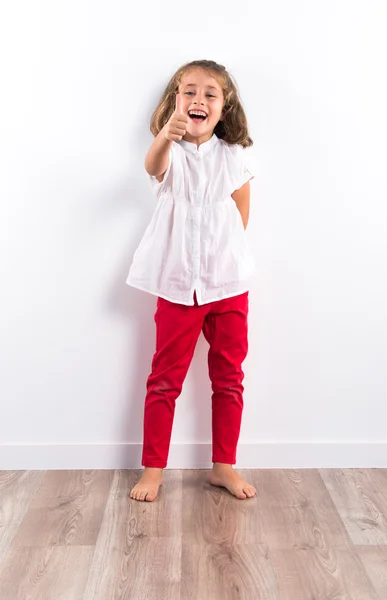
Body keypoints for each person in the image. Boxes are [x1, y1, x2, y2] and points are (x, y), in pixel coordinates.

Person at [127, 59, 257, 502]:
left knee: (229, 378)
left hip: (227, 285)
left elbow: (241, 212)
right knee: (164, 379)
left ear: (225, 106)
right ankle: (153, 469)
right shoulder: (170, 155)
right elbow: (152, 165)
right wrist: (166, 133)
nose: (198, 99)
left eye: (209, 94)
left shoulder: (234, 157)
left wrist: (225, 261)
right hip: (179, 286)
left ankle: (223, 465)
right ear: (176, 100)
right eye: (189, 91)